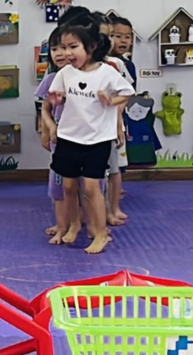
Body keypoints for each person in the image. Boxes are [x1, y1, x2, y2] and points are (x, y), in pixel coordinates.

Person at [44, 22, 133, 254]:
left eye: (73, 47)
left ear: (91, 47)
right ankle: (74, 224)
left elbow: (127, 93)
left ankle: (100, 233)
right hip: (68, 137)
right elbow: (57, 98)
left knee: (92, 188)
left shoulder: (107, 72)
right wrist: (58, 100)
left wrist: (110, 101)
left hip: (97, 139)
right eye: (63, 47)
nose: (67, 53)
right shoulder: (65, 73)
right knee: (69, 186)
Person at [100, 11, 138, 226]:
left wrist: (117, 116)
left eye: (127, 36)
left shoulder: (119, 64)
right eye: (116, 36)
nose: (121, 41)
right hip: (96, 125)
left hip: (116, 121)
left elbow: (127, 92)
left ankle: (113, 206)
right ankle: (102, 207)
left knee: (116, 167)